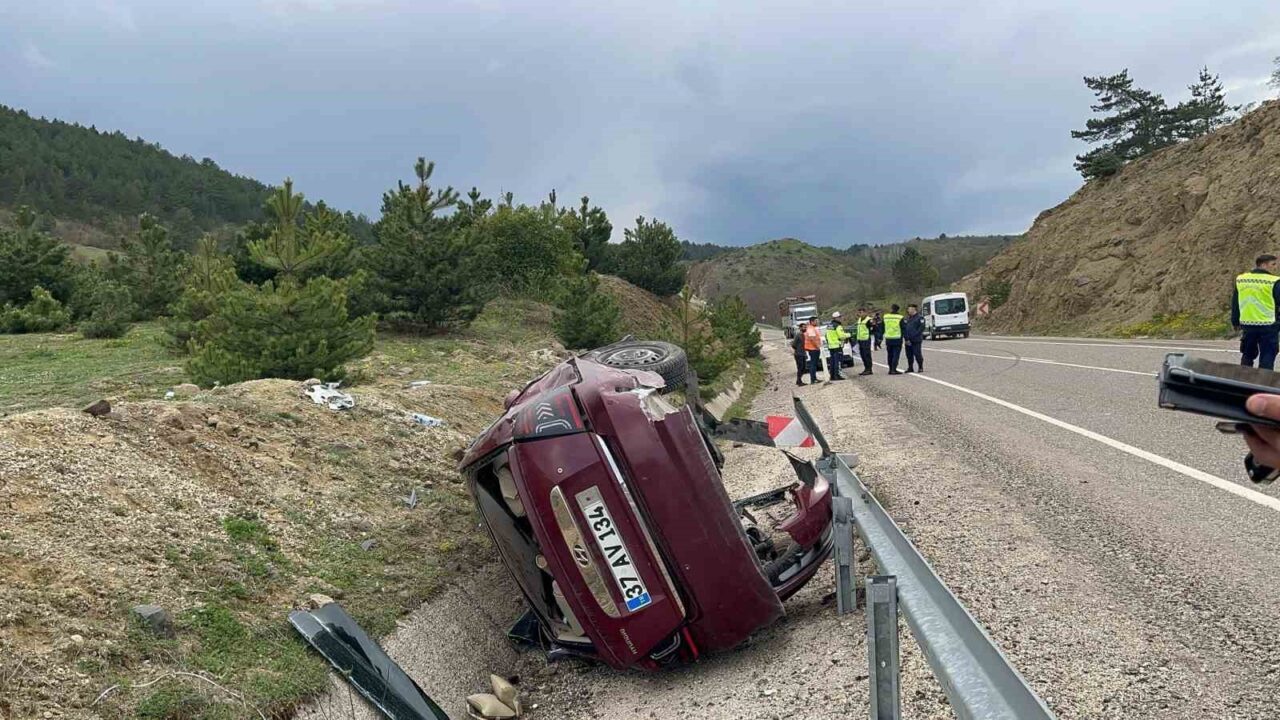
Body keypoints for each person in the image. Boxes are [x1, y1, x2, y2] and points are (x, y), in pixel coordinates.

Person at [1232, 254, 1280, 370]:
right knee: (1267, 356)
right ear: (1263, 265)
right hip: (1268, 325)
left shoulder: (1242, 279)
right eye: (1273, 264)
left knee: (1247, 355)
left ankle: (1243, 378)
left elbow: (1235, 303)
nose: (1275, 267)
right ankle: (1264, 380)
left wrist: (1235, 321)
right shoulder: (1274, 281)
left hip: (1248, 325)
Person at [824, 312, 851, 381]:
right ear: (836, 318)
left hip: (831, 346)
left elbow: (826, 335)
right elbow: (841, 336)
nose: (841, 318)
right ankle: (837, 375)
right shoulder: (838, 326)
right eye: (839, 317)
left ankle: (832, 376)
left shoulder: (829, 326)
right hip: (837, 346)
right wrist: (849, 334)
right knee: (838, 361)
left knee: (832, 362)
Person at [903, 303, 925, 373]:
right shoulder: (907, 318)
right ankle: (910, 367)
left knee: (917, 354)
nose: (908, 310)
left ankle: (920, 367)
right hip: (908, 340)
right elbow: (904, 328)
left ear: (913, 309)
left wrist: (914, 335)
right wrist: (906, 338)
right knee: (909, 355)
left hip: (916, 339)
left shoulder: (920, 317)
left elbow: (921, 328)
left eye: (909, 309)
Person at [882, 304, 904, 375]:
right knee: (896, 355)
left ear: (891, 308)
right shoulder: (900, 317)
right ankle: (894, 369)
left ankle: (890, 369)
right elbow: (903, 329)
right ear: (898, 309)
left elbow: (882, 327)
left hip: (888, 338)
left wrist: (879, 338)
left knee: (890, 355)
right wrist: (906, 338)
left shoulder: (886, 317)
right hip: (897, 339)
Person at [802, 316, 823, 384]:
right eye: (816, 321)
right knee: (813, 364)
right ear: (812, 322)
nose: (817, 322)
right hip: (813, 348)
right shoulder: (811, 328)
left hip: (813, 348)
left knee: (814, 364)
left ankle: (814, 378)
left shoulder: (812, 328)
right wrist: (817, 346)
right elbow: (812, 338)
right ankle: (813, 379)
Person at [855, 307, 874, 376]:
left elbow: (872, 329)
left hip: (866, 340)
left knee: (867, 355)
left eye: (861, 312)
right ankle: (866, 368)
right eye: (859, 312)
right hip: (860, 340)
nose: (860, 314)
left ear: (865, 312)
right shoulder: (859, 320)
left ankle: (869, 369)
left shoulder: (868, 320)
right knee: (862, 355)